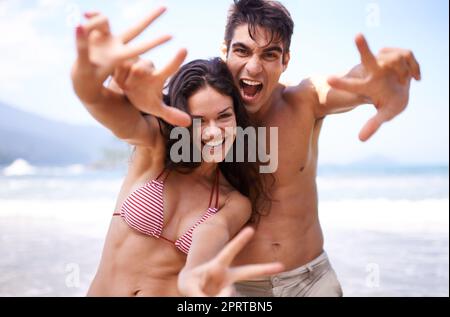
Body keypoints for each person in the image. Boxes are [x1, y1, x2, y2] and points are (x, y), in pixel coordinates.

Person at [122, 1, 421, 297]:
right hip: (237, 285)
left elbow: (345, 84)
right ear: (224, 50)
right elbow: (128, 116)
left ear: (285, 61)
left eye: (269, 54)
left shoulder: (304, 100)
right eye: (242, 50)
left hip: (312, 281)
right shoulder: (201, 121)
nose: (253, 66)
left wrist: (375, 85)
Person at [71, 8, 283, 296]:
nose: (213, 132)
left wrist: (194, 276)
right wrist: (87, 79)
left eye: (223, 117)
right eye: (198, 121)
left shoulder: (233, 201)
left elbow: (210, 236)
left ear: (238, 118)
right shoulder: (155, 148)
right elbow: (103, 107)